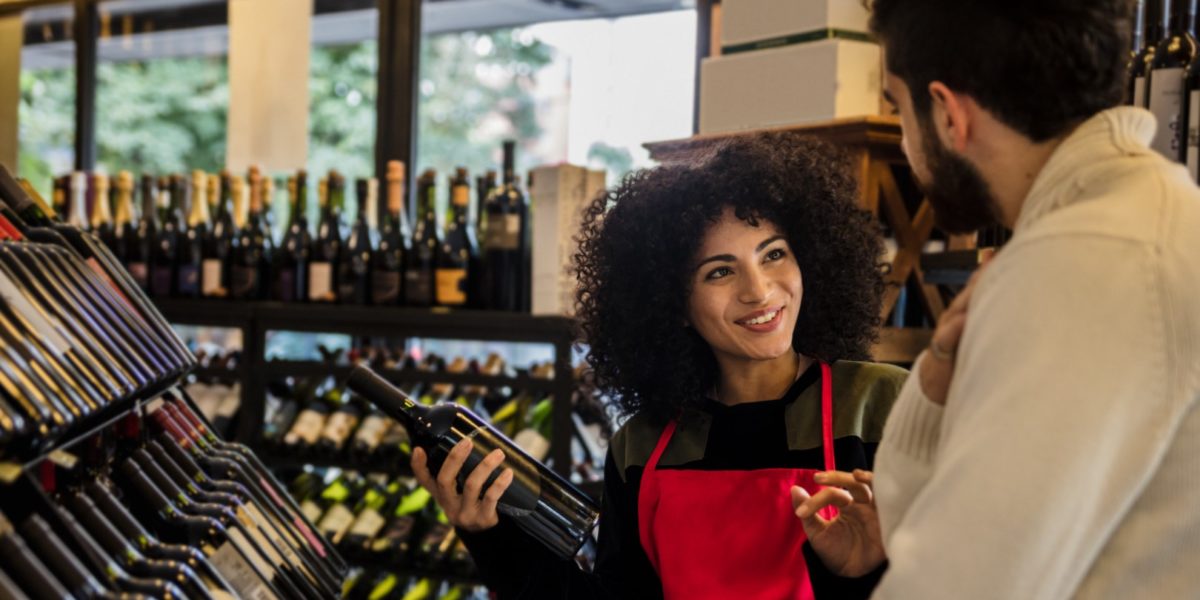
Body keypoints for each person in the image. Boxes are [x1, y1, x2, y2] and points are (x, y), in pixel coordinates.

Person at [792, 1, 1200, 598]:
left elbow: (964, 582)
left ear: (950, 114)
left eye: (898, 109)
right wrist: (933, 383)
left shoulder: (1086, 260)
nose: (905, 141)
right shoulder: (1142, 221)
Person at [409, 132, 906, 599]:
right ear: (673, 306)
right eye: (719, 271)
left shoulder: (881, 408)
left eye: (773, 254)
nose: (759, 290)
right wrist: (492, 537)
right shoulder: (643, 446)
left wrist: (863, 573)